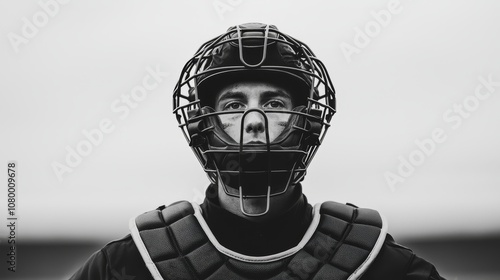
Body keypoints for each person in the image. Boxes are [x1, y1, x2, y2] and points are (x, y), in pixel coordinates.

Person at [69, 22, 445, 280]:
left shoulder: (380, 266)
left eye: (274, 103)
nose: (254, 121)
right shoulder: (129, 266)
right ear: (204, 125)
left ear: (307, 123)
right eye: (233, 105)